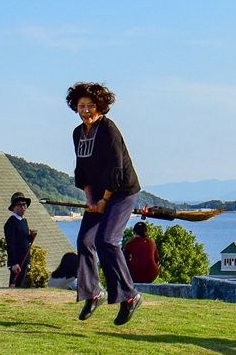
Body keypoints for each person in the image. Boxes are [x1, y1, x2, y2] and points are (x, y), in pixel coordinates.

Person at [68, 82, 143, 324]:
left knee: (107, 241)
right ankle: (93, 292)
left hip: (120, 191)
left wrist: (104, 200)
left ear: (100, 107)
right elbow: (82, 170)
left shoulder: (109, 130)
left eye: (91, 105)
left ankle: (129, 296)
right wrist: (90, 199)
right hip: (98, 194)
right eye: (81, 105)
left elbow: (116, 170)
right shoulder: (78, 133)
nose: (86, 110)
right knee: (85, 241)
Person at [5, 192, 38, 287]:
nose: (22, 207)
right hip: (17, 262)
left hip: (25, 259)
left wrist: (31, 236)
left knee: (23, 286)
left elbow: (25, 241)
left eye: (24, 204)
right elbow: (10, 244)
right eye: (19, 205)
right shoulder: (11, 222)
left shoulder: (23, 221)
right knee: (15, 285)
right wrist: (14, 263)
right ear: (13, 207)